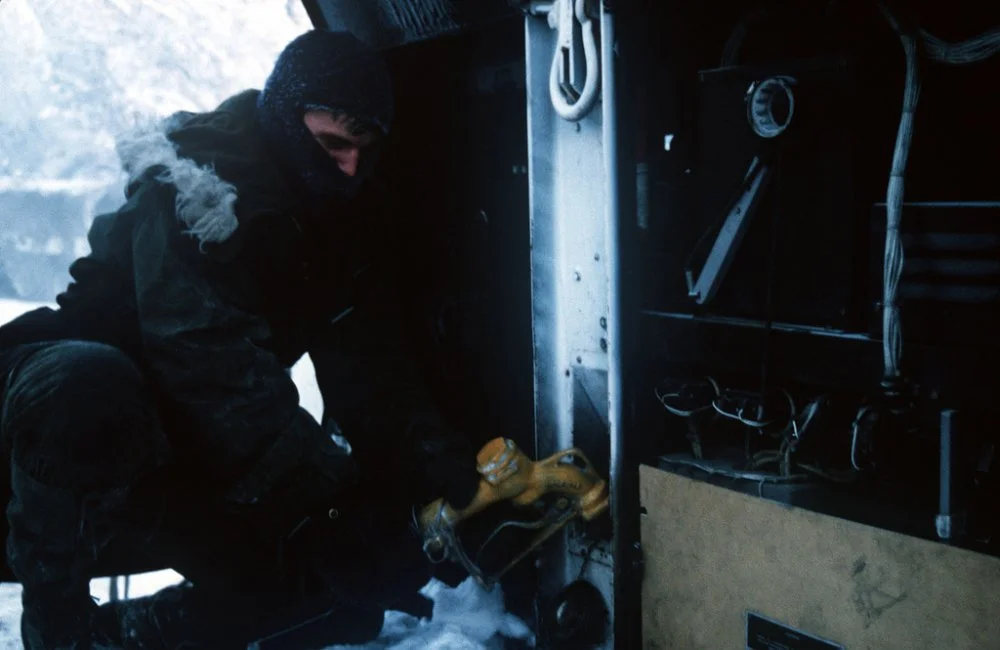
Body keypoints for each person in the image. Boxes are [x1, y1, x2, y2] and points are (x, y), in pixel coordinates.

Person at [0, 29, 483, 649]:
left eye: (366, 148)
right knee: (90, 380)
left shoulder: (341, 222)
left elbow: (371, 368)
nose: (351, 166)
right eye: (333, 144)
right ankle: (57, 634)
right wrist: (327, 502)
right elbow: (206, 364)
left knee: (336, 592)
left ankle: (126, 635)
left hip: (174, 452)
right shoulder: (197, 188)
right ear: (285, 119)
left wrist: (434, 465)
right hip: (49, 421)